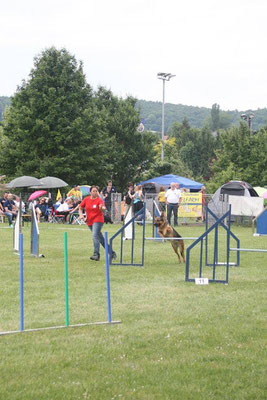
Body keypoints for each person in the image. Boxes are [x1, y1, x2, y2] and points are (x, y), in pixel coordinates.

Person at [79, 185, 116, 261]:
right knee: (101, 239)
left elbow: (103, 208)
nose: (95, 192)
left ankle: (96, 254)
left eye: (96, 191)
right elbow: (80, 208)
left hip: (98, 220)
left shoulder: (99, 200)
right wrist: (81, 215)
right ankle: (112, 253)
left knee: (94, 235)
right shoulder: (86, 199)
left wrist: (102, 208)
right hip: (89, 221)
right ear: (90, 192)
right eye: (94, 191)